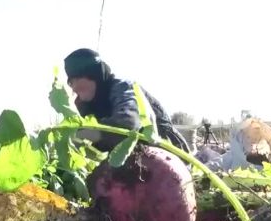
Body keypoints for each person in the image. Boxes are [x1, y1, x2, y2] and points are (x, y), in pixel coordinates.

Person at [63, 48, 191, 153]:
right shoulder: (85, 104)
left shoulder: (123, 88)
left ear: (93, 75)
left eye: (75, 80)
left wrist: (79, 136)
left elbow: (127, 127)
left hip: (167, 156)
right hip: (131, 165)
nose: (74, 88)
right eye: (70, 83)